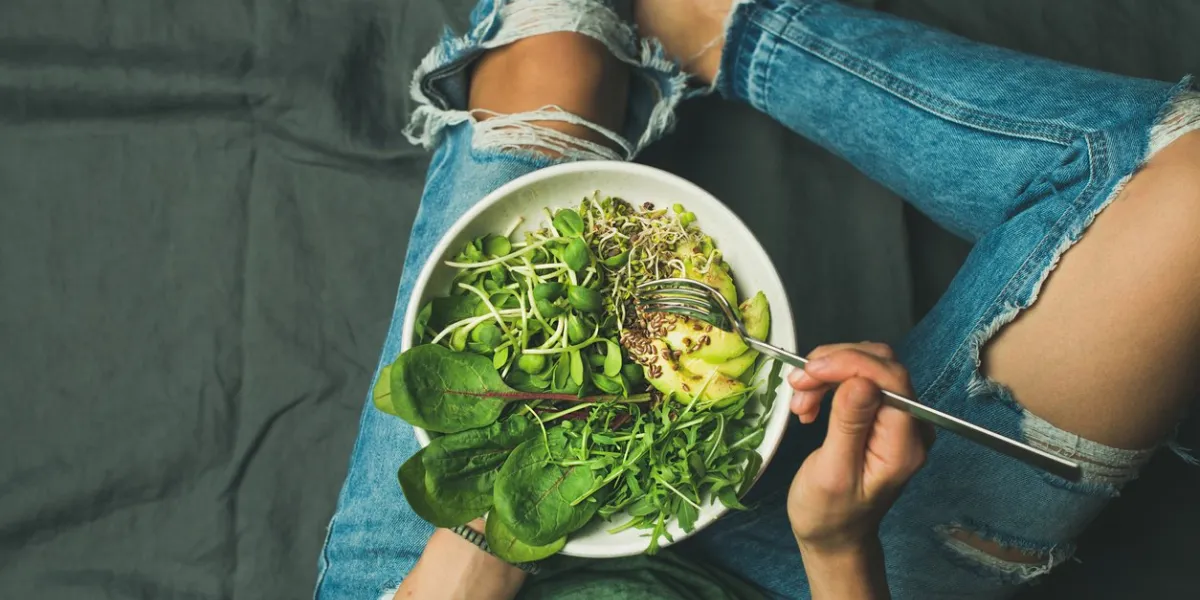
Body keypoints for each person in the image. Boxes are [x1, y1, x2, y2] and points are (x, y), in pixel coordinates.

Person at [313, 1, 1200, 599]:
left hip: (444, 568)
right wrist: (840, 544)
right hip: (789, 577)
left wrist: (479, 535)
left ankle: (693, 25)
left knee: (557, 35)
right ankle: (729, 30)